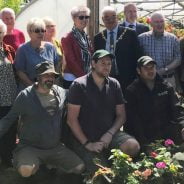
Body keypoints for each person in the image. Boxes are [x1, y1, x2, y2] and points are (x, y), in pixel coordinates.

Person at [0, 61, 84, 177]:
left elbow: (78, 93)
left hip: (55, 147)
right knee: (26, 171)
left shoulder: (61, 92)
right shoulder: (25, 96)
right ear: (38, 77)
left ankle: (49, 163)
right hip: (30, 147)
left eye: (52, 76)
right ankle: (31, 162)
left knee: (79, 167)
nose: (50, 78)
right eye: (46, 75)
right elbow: (8, 119)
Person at [67, 49, 140, 175]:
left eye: (109, 63)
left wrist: (110, 133)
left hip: (108, 135)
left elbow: (121, 116)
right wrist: (87, 144)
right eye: (103, 63)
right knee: (102, 174)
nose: (107, 66)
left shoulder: (114, 84)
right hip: (86, 138)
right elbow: (71, 120)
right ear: (93, 64)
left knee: (133, 146)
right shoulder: (79, 85)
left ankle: (108, 156)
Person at [125, 56, 184, 149]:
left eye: (152, 67)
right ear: (138, 71)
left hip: (167, 134)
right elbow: (133, 121)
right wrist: (144, 143)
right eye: (146, 68)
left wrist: (182, 125)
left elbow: (177, 109)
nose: (150, 71)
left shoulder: (166, 86)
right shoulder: (132, 91)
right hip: (144, 135)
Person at [94, 6, 142, 92]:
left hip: (127, 80)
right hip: (105, 79)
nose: (110, 20)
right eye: (107, 17)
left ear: (117, 17)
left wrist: (138, 77)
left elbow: (139, 56)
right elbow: (96, 60)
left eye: (113, 16)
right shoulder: (98, 38)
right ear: (102, 19)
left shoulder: (130, 34)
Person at [138, 12, 181, 89]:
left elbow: (178, 58)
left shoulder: (173, 39)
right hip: (149, 80)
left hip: (168, 79)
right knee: (150, 101)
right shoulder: (142, 38)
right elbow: (137, 58)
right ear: (151, 23)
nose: (159, 24)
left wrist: (165, 69)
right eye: (156, 22)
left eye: (161, 21)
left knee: (169, 101)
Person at [15, 17, 59, 91]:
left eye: (43, 30)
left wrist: (52, 85)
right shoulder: (22, 49)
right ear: (29, 32)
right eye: (37, 31)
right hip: (30, 91)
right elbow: (20, 72)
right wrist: (34, 87)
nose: (41, 33)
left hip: (48, 89)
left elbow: (55, 67)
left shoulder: (50, 47)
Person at [61, 5, 92, 89]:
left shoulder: (86, 36)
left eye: (87, 17)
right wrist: (85, 78)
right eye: (81, 17)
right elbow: (71, 61)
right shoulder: (67, 38)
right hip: (72, 78)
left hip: (85, 76)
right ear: (74, 19)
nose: (84, 20)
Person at [0, 19, 17, 166]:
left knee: (10, 127)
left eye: (0, 32)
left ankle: (8, 157)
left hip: (11, 96)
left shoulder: (9, 49)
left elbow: (15, 70)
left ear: (4, 33)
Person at [43, 17, 63, 86]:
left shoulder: (57, 42)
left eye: (53, 26)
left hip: (58, 79)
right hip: (45, 80)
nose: (51, 28)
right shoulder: (40, 43)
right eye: (48, 26)